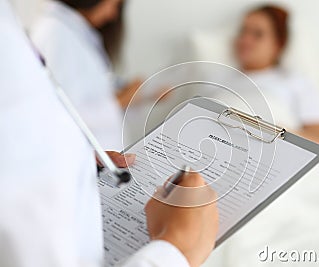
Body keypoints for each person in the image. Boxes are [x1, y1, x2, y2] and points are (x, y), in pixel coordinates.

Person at [0, 1, 218, 267]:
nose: (113, 13)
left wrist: (76, 158)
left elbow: (39, 126)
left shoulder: (40, 31)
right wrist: (176, 249)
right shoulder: (52, 31)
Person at [30, 0, 143, 149]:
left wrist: (136, 96)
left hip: (103, 158)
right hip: (85, 159)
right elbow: (64, 115)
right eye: (113, 4)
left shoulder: (72, 30)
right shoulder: (55, 34)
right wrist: (121, 100)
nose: (112, 14)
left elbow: (89, 93)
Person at [234, 5, 319, 147]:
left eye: (257, 34)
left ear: (278, 44)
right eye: (243, 31)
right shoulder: (217, 79)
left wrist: (271, 131)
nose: (245, 40)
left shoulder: (295, 83)